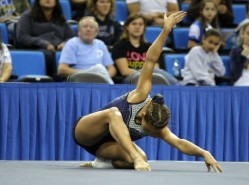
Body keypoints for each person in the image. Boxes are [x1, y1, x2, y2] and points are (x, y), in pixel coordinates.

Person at [74, 11, 223, 172]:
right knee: (114, 113)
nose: (150, 133)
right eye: (149, 130)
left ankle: (102, 162)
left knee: (143, 158)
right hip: (86, 132)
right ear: (144, 115)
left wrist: (204, 152)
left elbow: (179, 142)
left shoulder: (157, 125)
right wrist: (165, 31)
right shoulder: (141, 95)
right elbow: (151, 60)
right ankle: (135, 157)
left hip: (104, 146)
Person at [111, 13, 179, 85]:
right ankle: (179, 87)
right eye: (134, 24)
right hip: (129, 79)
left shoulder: (149, 47)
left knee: (157, 74)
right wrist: (146, 72)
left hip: (148, 77)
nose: (137, 27)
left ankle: (177, 87)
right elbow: (124, 71)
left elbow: (155, 67)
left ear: (144, 28)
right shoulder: (119, 46)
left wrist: (147, 72)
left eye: (140, 24)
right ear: (127, 27)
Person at [16, 0, 74, 77]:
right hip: (38, 49)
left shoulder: (60, 18)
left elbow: (71, 37)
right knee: (48, 55)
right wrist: (44, 44)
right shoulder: (27, 16)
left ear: (56, 2)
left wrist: (65, 44)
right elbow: (22, 36)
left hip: (59, 50)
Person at [58, 16, 116, 84]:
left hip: (99, 79)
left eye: (91, 27)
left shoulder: (100, 44)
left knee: (100, 69)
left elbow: (112, 69)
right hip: (79, 78)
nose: (88, 29)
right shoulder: (72, 43)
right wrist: (89, 74)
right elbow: (61, 70)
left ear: (96, 32)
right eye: (85, 26)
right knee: (99, 68)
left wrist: (101, 76)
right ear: (79, 31)